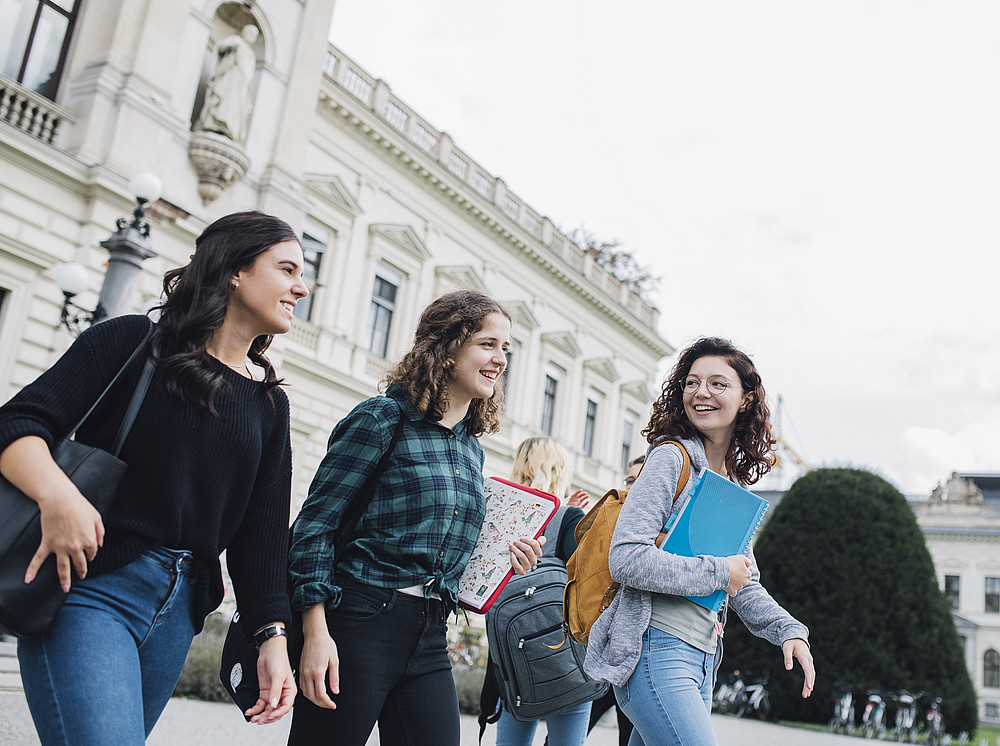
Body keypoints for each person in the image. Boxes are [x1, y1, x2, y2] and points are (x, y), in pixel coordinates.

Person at [0, 210, 307, 744]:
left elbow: (261, 543)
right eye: (286, 269)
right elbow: (17, 425)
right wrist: (59, 497)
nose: (300, 288)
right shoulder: (134, 342)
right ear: (235, 270)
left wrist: (273, 638)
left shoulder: (268, 405)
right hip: (91, 587)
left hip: (179, 615)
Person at [286, 290, 544, 746]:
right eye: (487, 344)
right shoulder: (383, 419)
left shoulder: (470, 448)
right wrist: (316, 633)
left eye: (505, 348)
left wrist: (504, 560)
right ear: (446, 348)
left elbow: (441, 548)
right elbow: (314, 527)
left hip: (429, 632)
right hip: (359, 621)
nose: (500, 359)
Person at [585, 337, 815, 746]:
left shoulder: (731, 483)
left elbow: (743, 582)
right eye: (692, 382)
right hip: (656, 648)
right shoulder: (670, 459)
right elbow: (626, 558)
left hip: (702, 658)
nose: (701, 392)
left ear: (745, 399)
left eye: (718, 383)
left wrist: (788, 630)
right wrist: (717, 571)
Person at [489, 436, 592, 746]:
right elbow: (583, 588)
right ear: (559, 470)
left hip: (512, 660)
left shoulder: (499, 519)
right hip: (566, 660)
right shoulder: (570, 519)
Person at [582, 455, 644, 746]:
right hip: (603, 653)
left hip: (638, 657)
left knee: (629, 736)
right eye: (628, 481)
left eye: (638, 480)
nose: (631, 488)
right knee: (574, 729)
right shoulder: (611, 521)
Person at [195, 24, 259, 143]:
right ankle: (213, 123)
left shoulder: (251, 55)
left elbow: (249, 79)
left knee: (233, 107)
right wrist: (231, 47)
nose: (251, 37)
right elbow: (219, 47)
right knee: (223, 102)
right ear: (244, 32)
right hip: (228, 80)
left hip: (240, 87)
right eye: (250, 33)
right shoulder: (236, 40)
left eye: (254, 35)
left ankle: (230, 129)